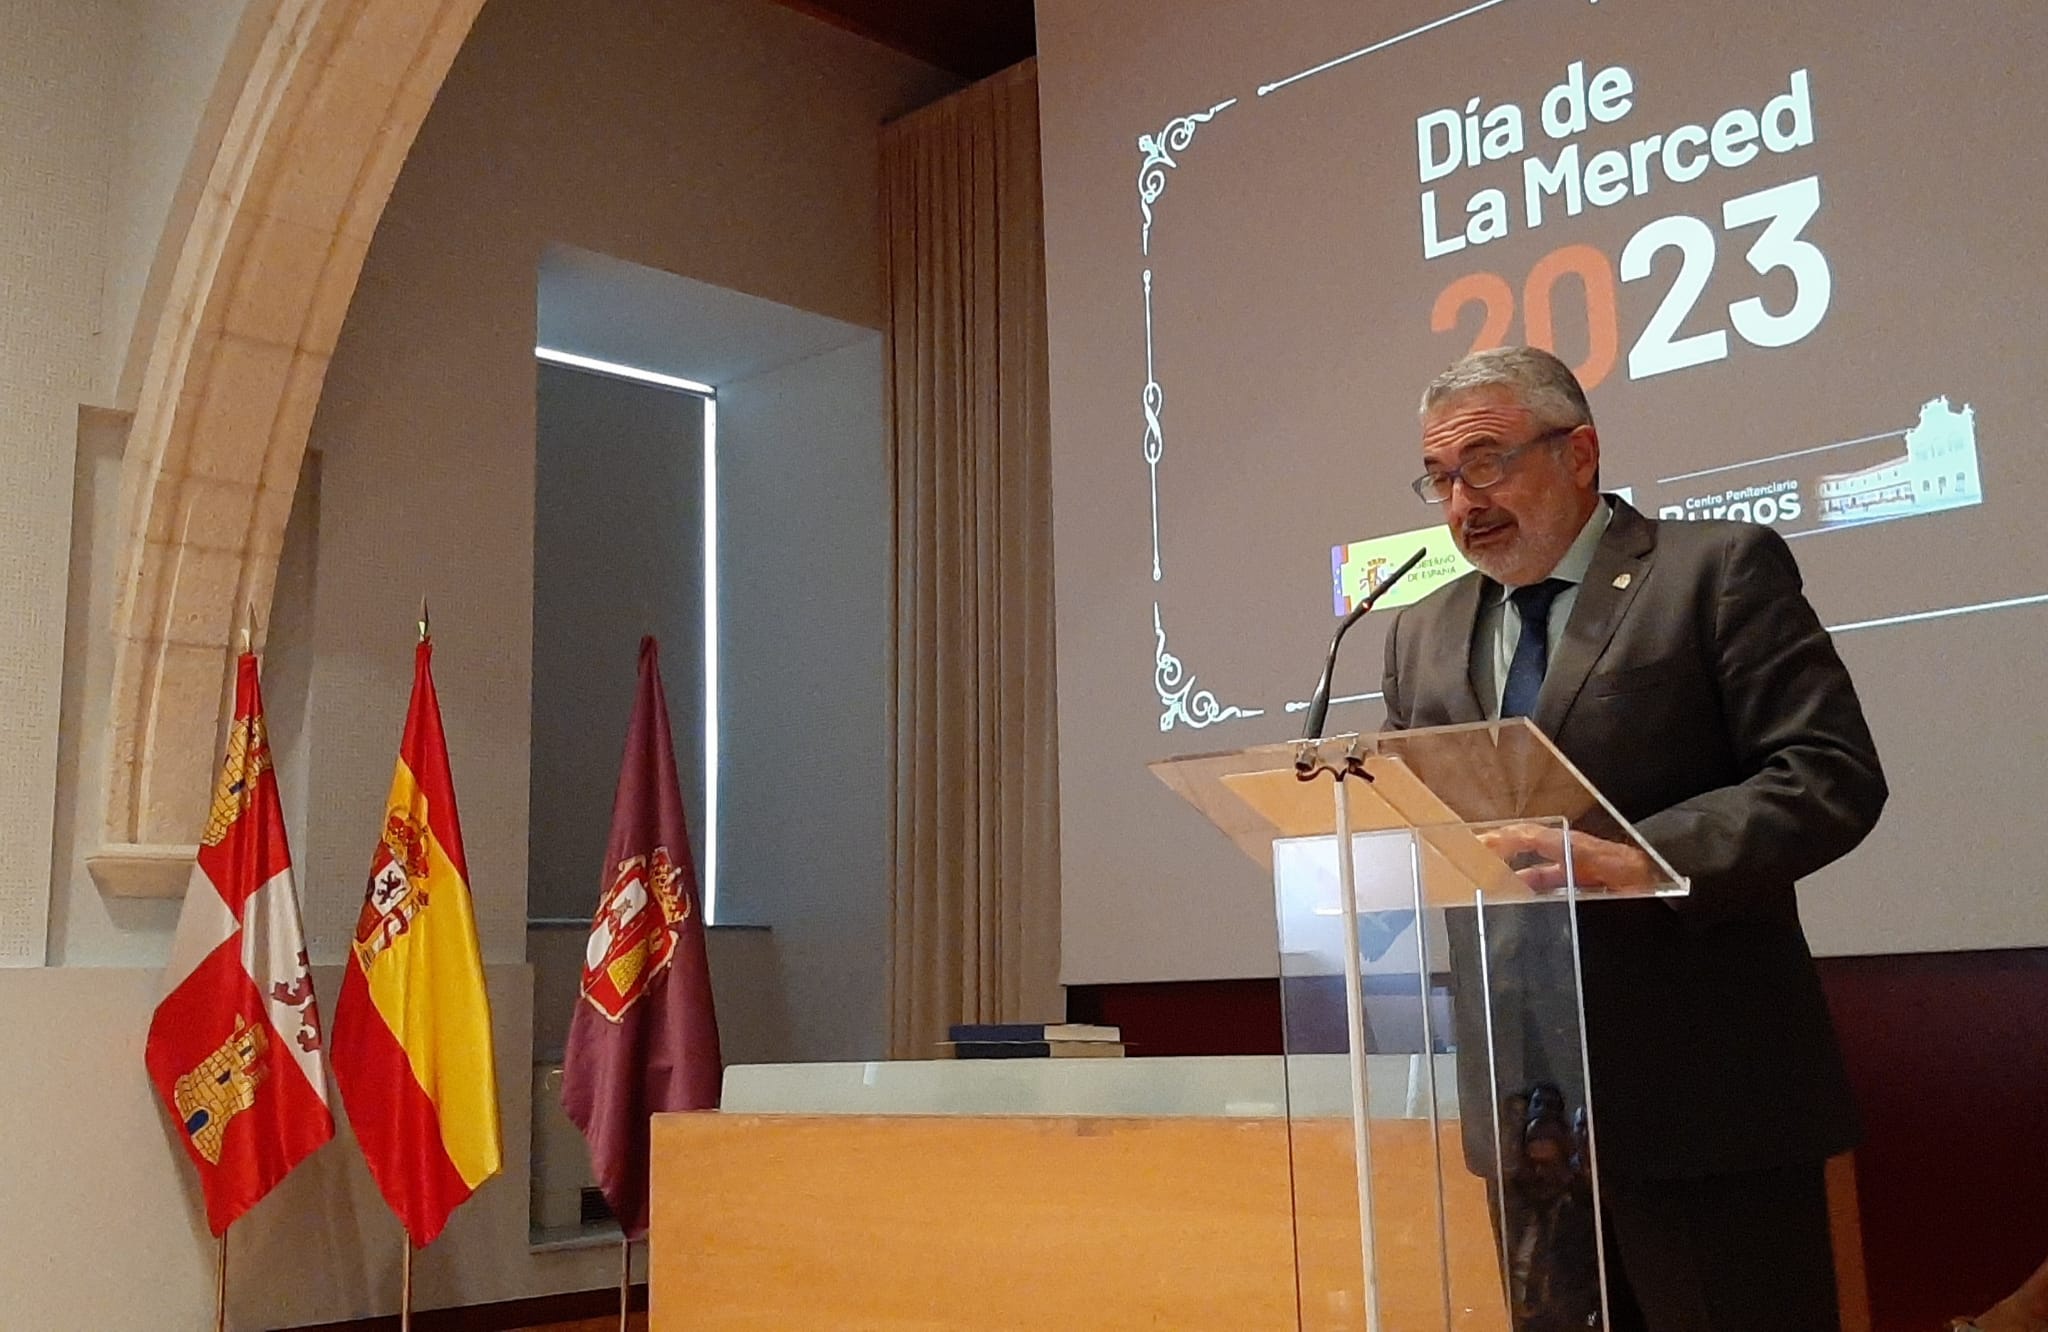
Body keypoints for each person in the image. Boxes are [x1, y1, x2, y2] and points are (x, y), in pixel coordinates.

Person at [1379, 346, 1888, 1331]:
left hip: (1704, 1098)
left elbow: (1825, 773)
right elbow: (1425, 822)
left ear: (1578, 453)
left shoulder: (1713, 571)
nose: (1459, 504)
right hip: (1525, 1112)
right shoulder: (1421, 631)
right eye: (1439, 477)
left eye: (1483, 464)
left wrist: (1641, 857)